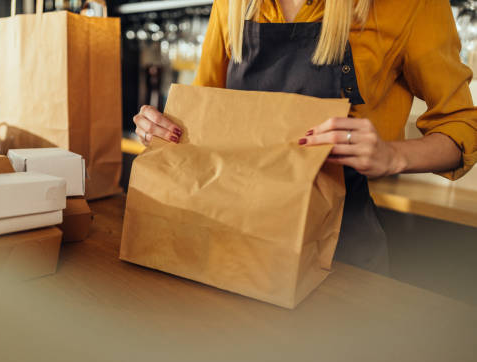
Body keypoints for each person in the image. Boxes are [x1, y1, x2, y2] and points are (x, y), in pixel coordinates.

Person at [132, 0, 477, 274]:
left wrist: (393, 156)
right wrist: (163, 129)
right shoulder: (233, 4)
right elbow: (202, 120)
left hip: (340, 253)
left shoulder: (410, 4)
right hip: (236, 242)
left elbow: (461, 123)